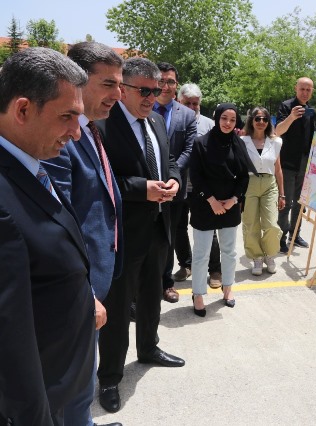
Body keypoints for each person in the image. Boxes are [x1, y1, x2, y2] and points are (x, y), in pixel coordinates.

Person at [0, 47, 95, 426]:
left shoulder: (32, 166)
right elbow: (9, 336)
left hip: (60, 385)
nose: (76, 133)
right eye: (67, 117)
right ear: (22, 110)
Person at [96, 57, 185, 414]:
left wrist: (175, 179)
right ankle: (110, 377)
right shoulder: (101, 126)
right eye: (145, 91)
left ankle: (148, 348)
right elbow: (100, 181)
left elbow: (171, 160)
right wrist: (141, 188)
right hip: (124, 234)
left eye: (158, 90)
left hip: (159, 228)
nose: (153, 97)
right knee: (118, 308)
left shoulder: (158, 123)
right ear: (124, 89)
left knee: (151, 296)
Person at [42, 41, 124, 426]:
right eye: (108, 84)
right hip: (77, 291)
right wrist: (86, 293)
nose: (118, 94)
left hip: (94, 282)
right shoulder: (61, 139)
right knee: (72, 391)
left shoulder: (91, 130)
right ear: (77, 80)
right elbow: (59, 222)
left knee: (82, 382)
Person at [190, 103, 255, 316]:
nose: (227, 123)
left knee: (229, 251)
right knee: (201, 254)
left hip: (230, 205)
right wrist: (212, 201)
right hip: (205, 205)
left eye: (232, 120)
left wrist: (233, 200)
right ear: (217, 118)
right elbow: (196, 177)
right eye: (224, 118)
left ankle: (228, 288)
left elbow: (244, 177)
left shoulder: (238, 144)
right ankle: (198, 294)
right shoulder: (201, 143)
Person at [154, 62, 197, 303]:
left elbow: (189, 149)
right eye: (161, 81)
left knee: (169, 237)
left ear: (176, 85)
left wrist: (171, 176)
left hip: (174, 187)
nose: (166, 86)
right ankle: (143, 284)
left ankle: (166, 283)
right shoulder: (143, 110)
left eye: (170, 81)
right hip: (146, 186)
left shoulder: (187, 115)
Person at [175, 83, 223, 289]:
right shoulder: (172, 122)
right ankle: (186, 265)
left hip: (201, 188)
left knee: (208, 229)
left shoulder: (210, 125)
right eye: (188, 103)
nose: (192, 107)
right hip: (177, 186)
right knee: (178, 228)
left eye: (196, 104)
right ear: (179, 101)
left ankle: (215, 270)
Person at [241, 107, 286, 275]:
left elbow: (278, 169)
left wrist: (282, 193)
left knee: (271, 224)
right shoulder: (242, 141)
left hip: (269, 184)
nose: (261, 122)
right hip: (249, 184)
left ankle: (270, 254)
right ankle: (257, 257)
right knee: (251, 224)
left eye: (264, 119)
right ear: (251, 120)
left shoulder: (275, 142)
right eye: (257, 118)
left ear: (269, 122)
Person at [275, 77, 315, 253]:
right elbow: (278, 131)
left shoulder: (310, 111)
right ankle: (280, 238)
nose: (305, 93)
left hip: (305, 165)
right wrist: (291, 117)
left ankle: (295, 234)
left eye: (308, 90)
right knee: (286, 203)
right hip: (287, 164)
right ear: (296, 89)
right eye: (302, 89)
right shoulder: (286, 106)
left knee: (300, 202)